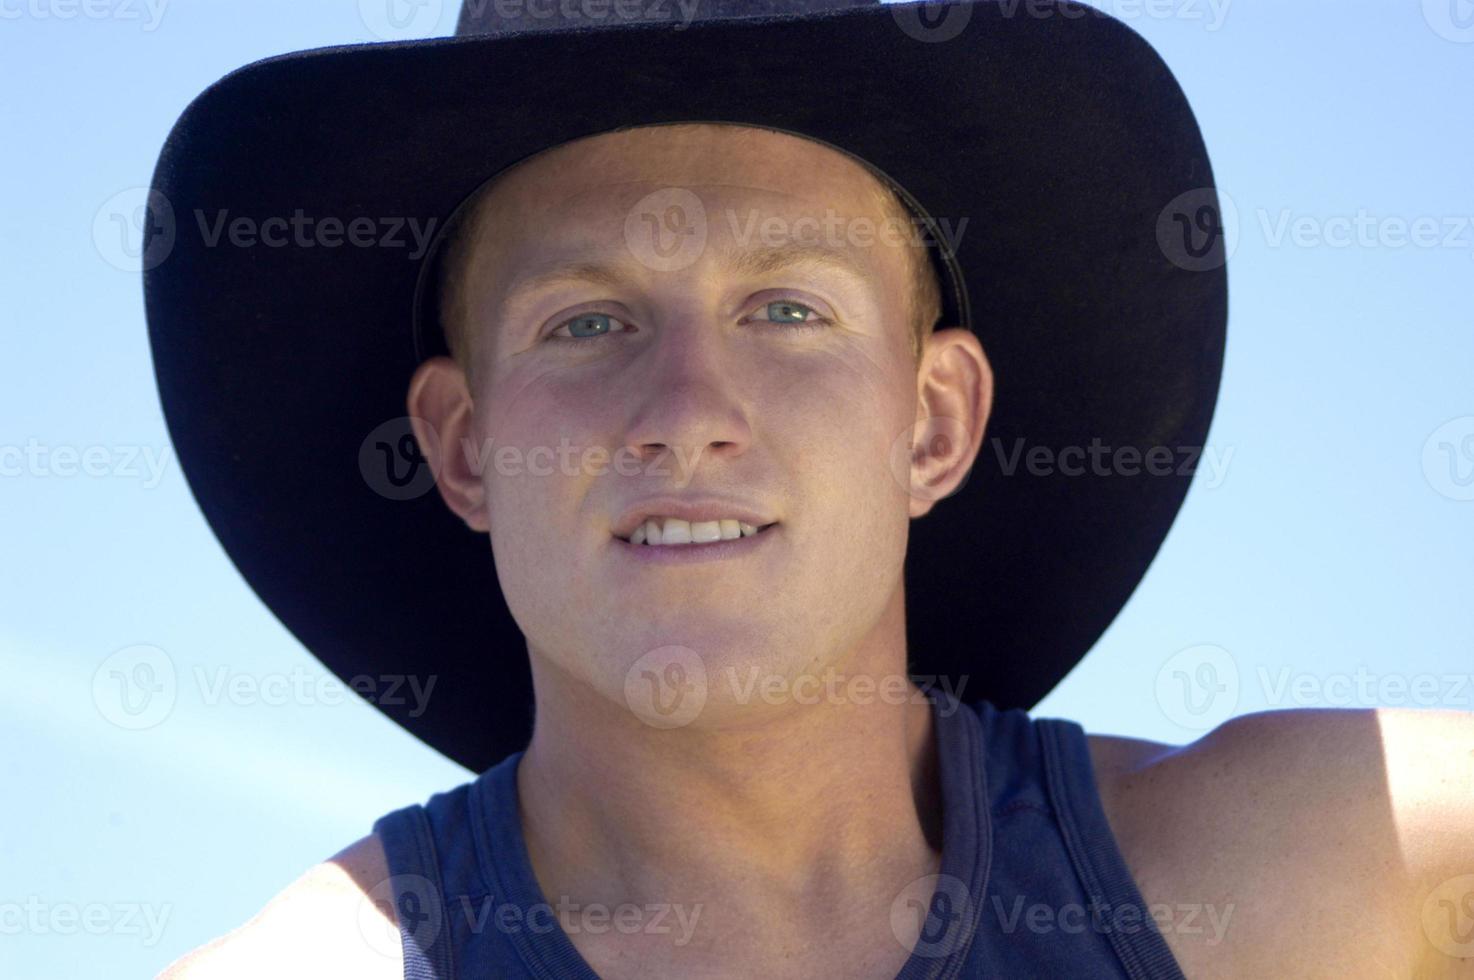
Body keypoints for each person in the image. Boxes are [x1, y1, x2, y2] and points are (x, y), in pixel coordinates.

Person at [150, 1, 1471, 977]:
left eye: (784, 308)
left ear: (932, 421)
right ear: (462, 444)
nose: (685, 416)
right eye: (585, 322)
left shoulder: (1309, 883)